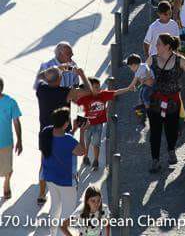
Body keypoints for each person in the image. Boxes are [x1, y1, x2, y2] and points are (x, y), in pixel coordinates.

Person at [144, 34, 185, 173]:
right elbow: (142, 74)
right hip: (156, 101)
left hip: (173, 102)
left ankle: (171, 150)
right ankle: (155, 160)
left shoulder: (179, 60)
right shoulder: (152, 59)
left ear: (167, 46)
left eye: (158, 44)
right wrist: (143, 81)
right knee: (155, 132)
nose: (155, 46)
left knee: (172, 130)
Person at [39, 107, 87, 236]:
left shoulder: (46, 132)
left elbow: (61, 137)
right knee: (67, 212)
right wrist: (82, 131)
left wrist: (74, 129)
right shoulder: (69, 141)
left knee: (55, 206)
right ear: (66, 123)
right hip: (66, 181)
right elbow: (82, 151)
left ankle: (53, 232)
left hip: (50, 177)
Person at [75, 77, 131, 170]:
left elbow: (116, 92)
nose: (99, 89)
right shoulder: (84, 98)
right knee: (87, 142)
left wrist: (128, 88)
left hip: (98, 125)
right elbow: (79, 111)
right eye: (96, 87)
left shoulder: (103, 95)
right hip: (87, 125)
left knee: (96, 144)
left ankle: (95, 161)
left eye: (99, 87)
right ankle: (85, 157)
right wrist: (82, 124)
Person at [0, 78, 22, 200]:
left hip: (6, 143)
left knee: (8, 168)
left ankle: (7, 183)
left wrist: (19, 140)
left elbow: (16, 122)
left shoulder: (10, 102)